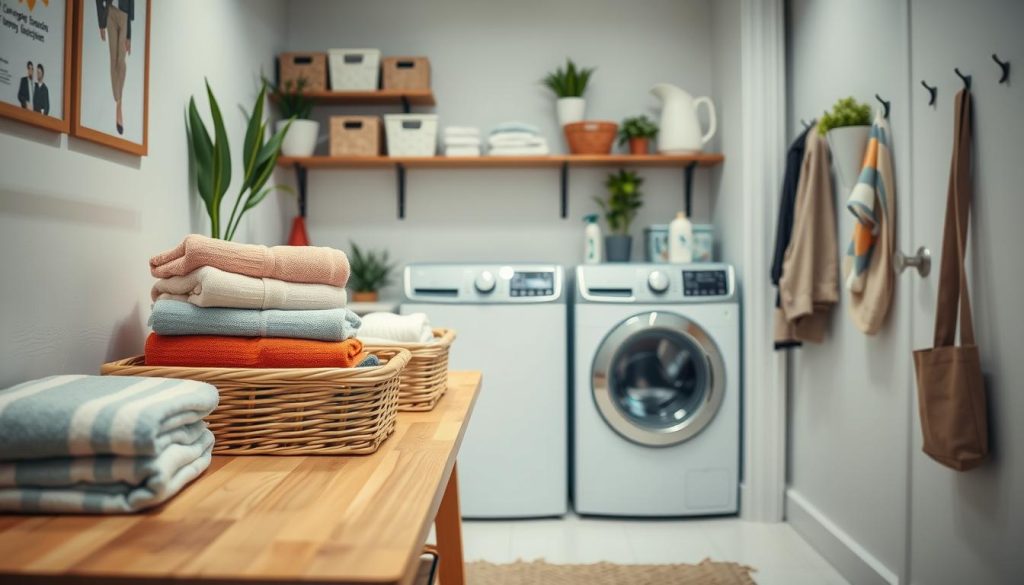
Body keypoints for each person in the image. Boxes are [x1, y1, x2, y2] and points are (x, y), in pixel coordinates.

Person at [96, 0, 135, 135]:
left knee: (121, 61)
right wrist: (101, 24)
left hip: (124, 15)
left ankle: (119, 100)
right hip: (110, 12)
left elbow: (130, 3)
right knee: (113, 59)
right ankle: (119, 105)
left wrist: (129, 35)